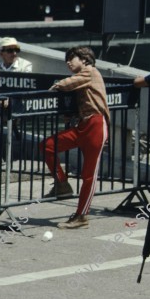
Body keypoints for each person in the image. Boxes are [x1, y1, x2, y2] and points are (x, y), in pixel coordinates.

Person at [41, 46, 110, 229]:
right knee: (47, 145)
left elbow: (68, 83)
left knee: (89, 175)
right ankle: (62, 183)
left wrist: (55, 86)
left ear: (85, 60)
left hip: (95, 125)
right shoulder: (86, 76)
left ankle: (82, 216)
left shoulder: (89, 71)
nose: (68, 62)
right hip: (83, 125)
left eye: (72, 58)